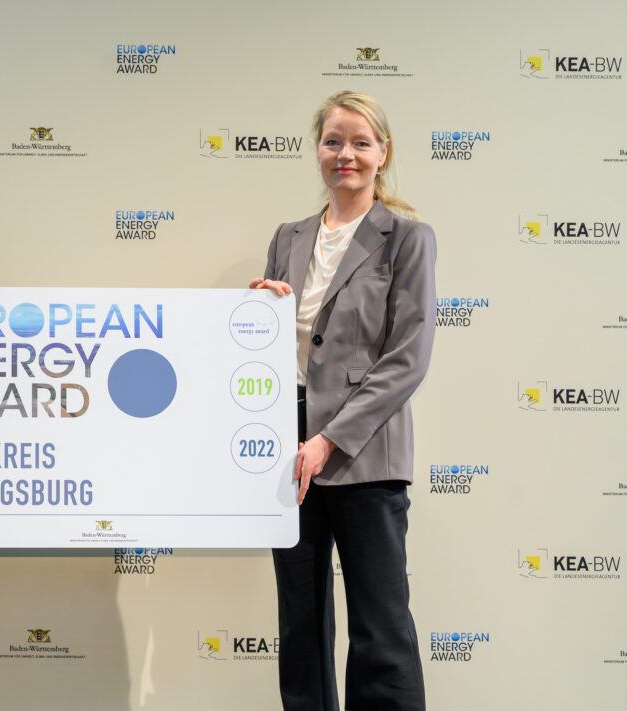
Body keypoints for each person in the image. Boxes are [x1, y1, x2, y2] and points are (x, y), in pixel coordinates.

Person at [250, 90, 435, 711]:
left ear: (383, 153)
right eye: (333, 142)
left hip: (365, 451)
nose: (345, 155)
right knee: (300, 625)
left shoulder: (407, 238)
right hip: (287, 448)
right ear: (318, 151)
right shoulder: (288, 237)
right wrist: (257, 313)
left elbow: (407, 357)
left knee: (382, 630)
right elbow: (274, 348)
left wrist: (329, 439)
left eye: (360, 142)